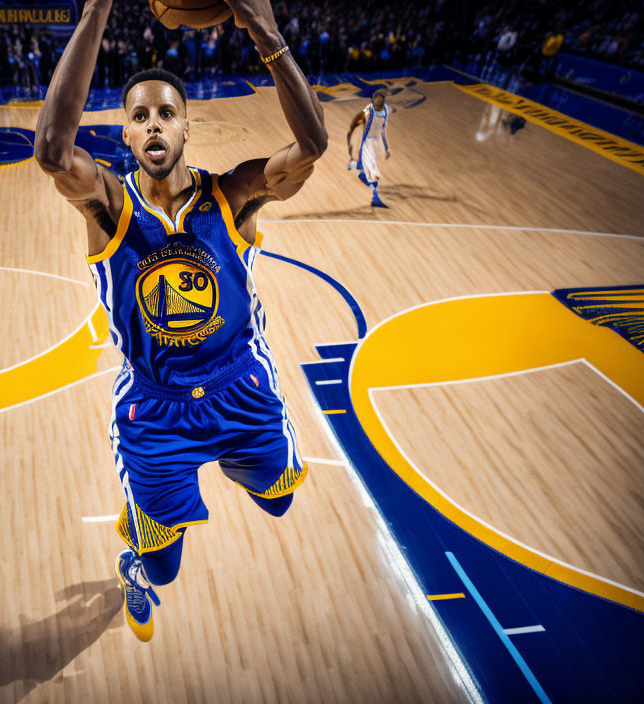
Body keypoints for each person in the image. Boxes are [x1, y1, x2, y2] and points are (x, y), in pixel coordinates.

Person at [34, 0, 326, 642]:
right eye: (140, 116)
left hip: (240, 387)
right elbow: (54, 153)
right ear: (128, 137)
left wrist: (265, 31)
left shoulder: (235, 194)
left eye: (167, 113)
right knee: (164, 572)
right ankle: (135, 562)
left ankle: (226, 457)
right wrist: (94, 11)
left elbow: (312, 146)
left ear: (187, 128)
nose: (155, 124)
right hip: (156, 411)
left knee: (280, 500)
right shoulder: (108, 206)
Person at [347, 88, 390, 207]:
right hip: (367, 144)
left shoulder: (385, 111)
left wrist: (386, 148)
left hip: (376, 143)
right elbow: (354, 125)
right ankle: (375, 198)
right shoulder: (367, 111)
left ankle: (358, 168)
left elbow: (382, 131)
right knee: (373, 171)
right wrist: (351, 136)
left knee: (370, 170)